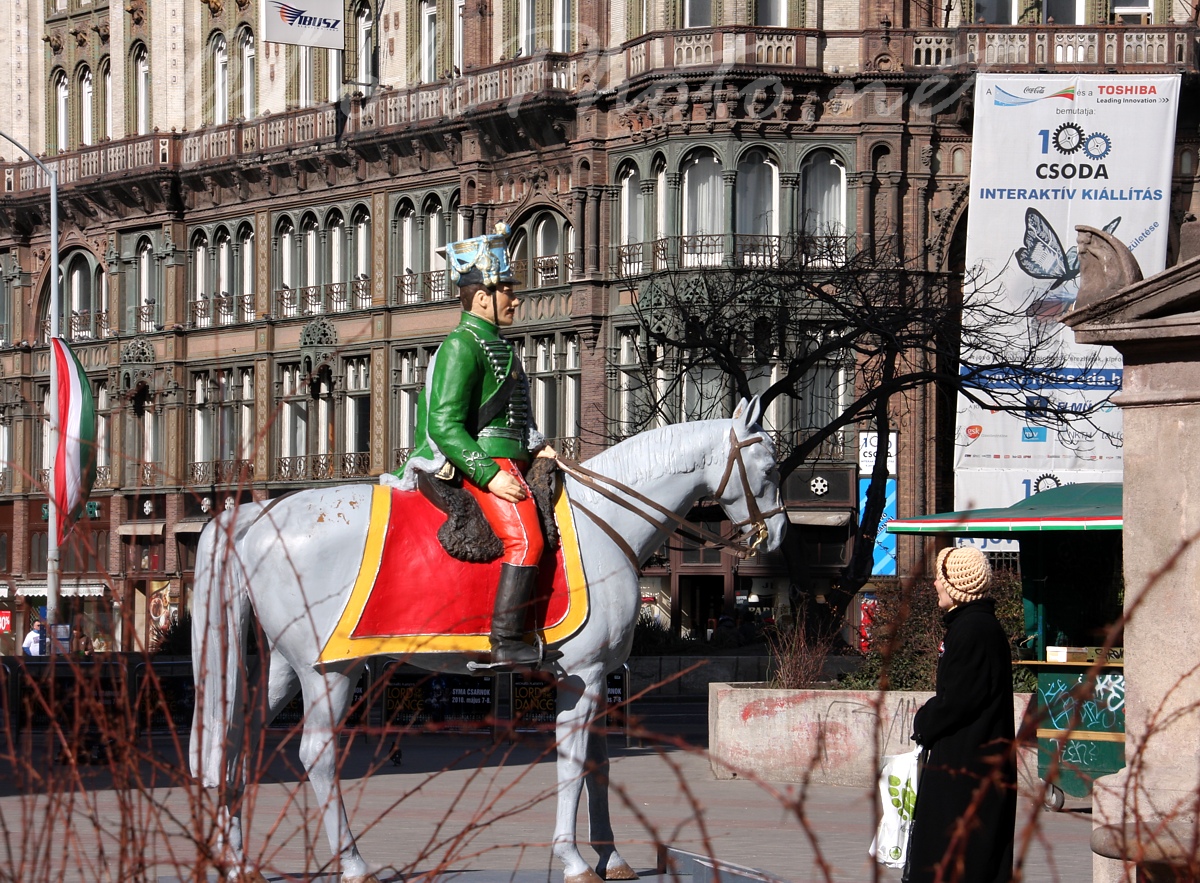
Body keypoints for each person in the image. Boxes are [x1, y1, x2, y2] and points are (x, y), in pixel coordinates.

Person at [389, 222, 561, 670]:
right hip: (483, 460)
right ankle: (504, 640)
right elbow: (445, 425)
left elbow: (514, 412)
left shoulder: (499, 346)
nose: (515, 298)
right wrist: (489, 473)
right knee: (526, 540)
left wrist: (537, 446)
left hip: (514, 457)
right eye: (507, 289)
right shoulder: (461, 346)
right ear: (482, 297)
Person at [905, 546, 1016, 883]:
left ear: (957, 585)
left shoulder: (973, 631)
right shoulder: (973, 627)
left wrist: (924, 720)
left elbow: (958, 700)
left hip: (966, 775)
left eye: (942, 576)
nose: (936, 583)